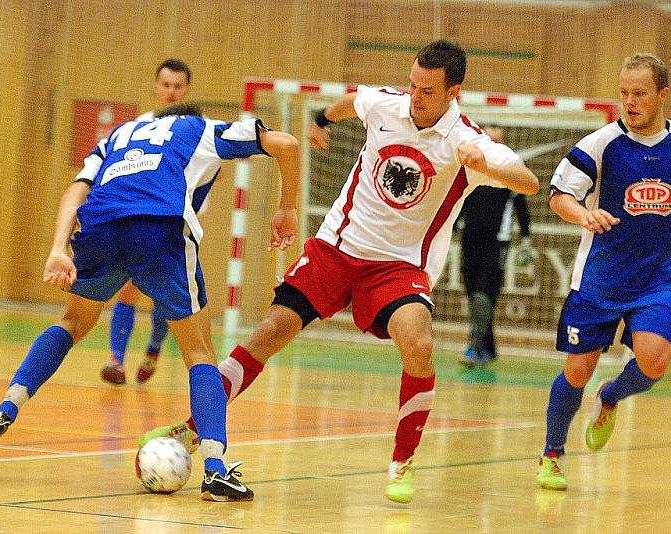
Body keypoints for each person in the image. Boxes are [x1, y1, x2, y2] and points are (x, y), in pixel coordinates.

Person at [140, 40, 539, 504]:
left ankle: (402, 461)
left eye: (427, 90)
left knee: (419, 342)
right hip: (337, 246)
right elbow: (354, 100)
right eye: (412, 84)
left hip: (398, 265)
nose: (414, 96)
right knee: (269, 331)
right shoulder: (386, 104)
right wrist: (322, 120)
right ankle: (195, 429)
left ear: (454, 92)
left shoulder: (466, 141)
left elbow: (528, 181)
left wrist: (486, 164)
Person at [0, 103, 302, 502]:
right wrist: (287, 208)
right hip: (159, 226)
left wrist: (58, 248)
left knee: (71, 325)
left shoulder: (120, 135)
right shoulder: (200, 128)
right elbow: (288, 143)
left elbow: (77, 189)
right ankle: (215, 470)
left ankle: (3, 411)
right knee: (199, 352)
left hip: (100, 225)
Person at [536, 53, 671, 491]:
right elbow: (559, 195)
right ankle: (553, 454)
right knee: (577, 370)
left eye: (639, 94)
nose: (629, 102)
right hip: (599, 278)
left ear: (662, 94)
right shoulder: (600, 144)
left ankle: (610, 396)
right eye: (624, 93)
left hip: (658, 277)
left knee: (654, 360)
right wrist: (582, 215)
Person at [102, 58, 194, 385]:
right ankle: (116, 360)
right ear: (156, 87)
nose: (171, 91)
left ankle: (154, 348)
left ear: (186, 90)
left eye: (177, 86)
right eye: (166, 85)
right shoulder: (138, 126)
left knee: (163, 295)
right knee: (128, 287)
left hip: (178, 223)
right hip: (142, 219)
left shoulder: (195, 126)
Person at [458, 124, 532, 367]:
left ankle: (475, 348)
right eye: (489, 139)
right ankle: (488, 348)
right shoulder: (470, 167)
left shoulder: (509, 171)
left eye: (497, 140)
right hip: (469, 238)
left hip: (497, 241)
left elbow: (522, 207)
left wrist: (526, 240)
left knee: (483, 294)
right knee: (473, 293)